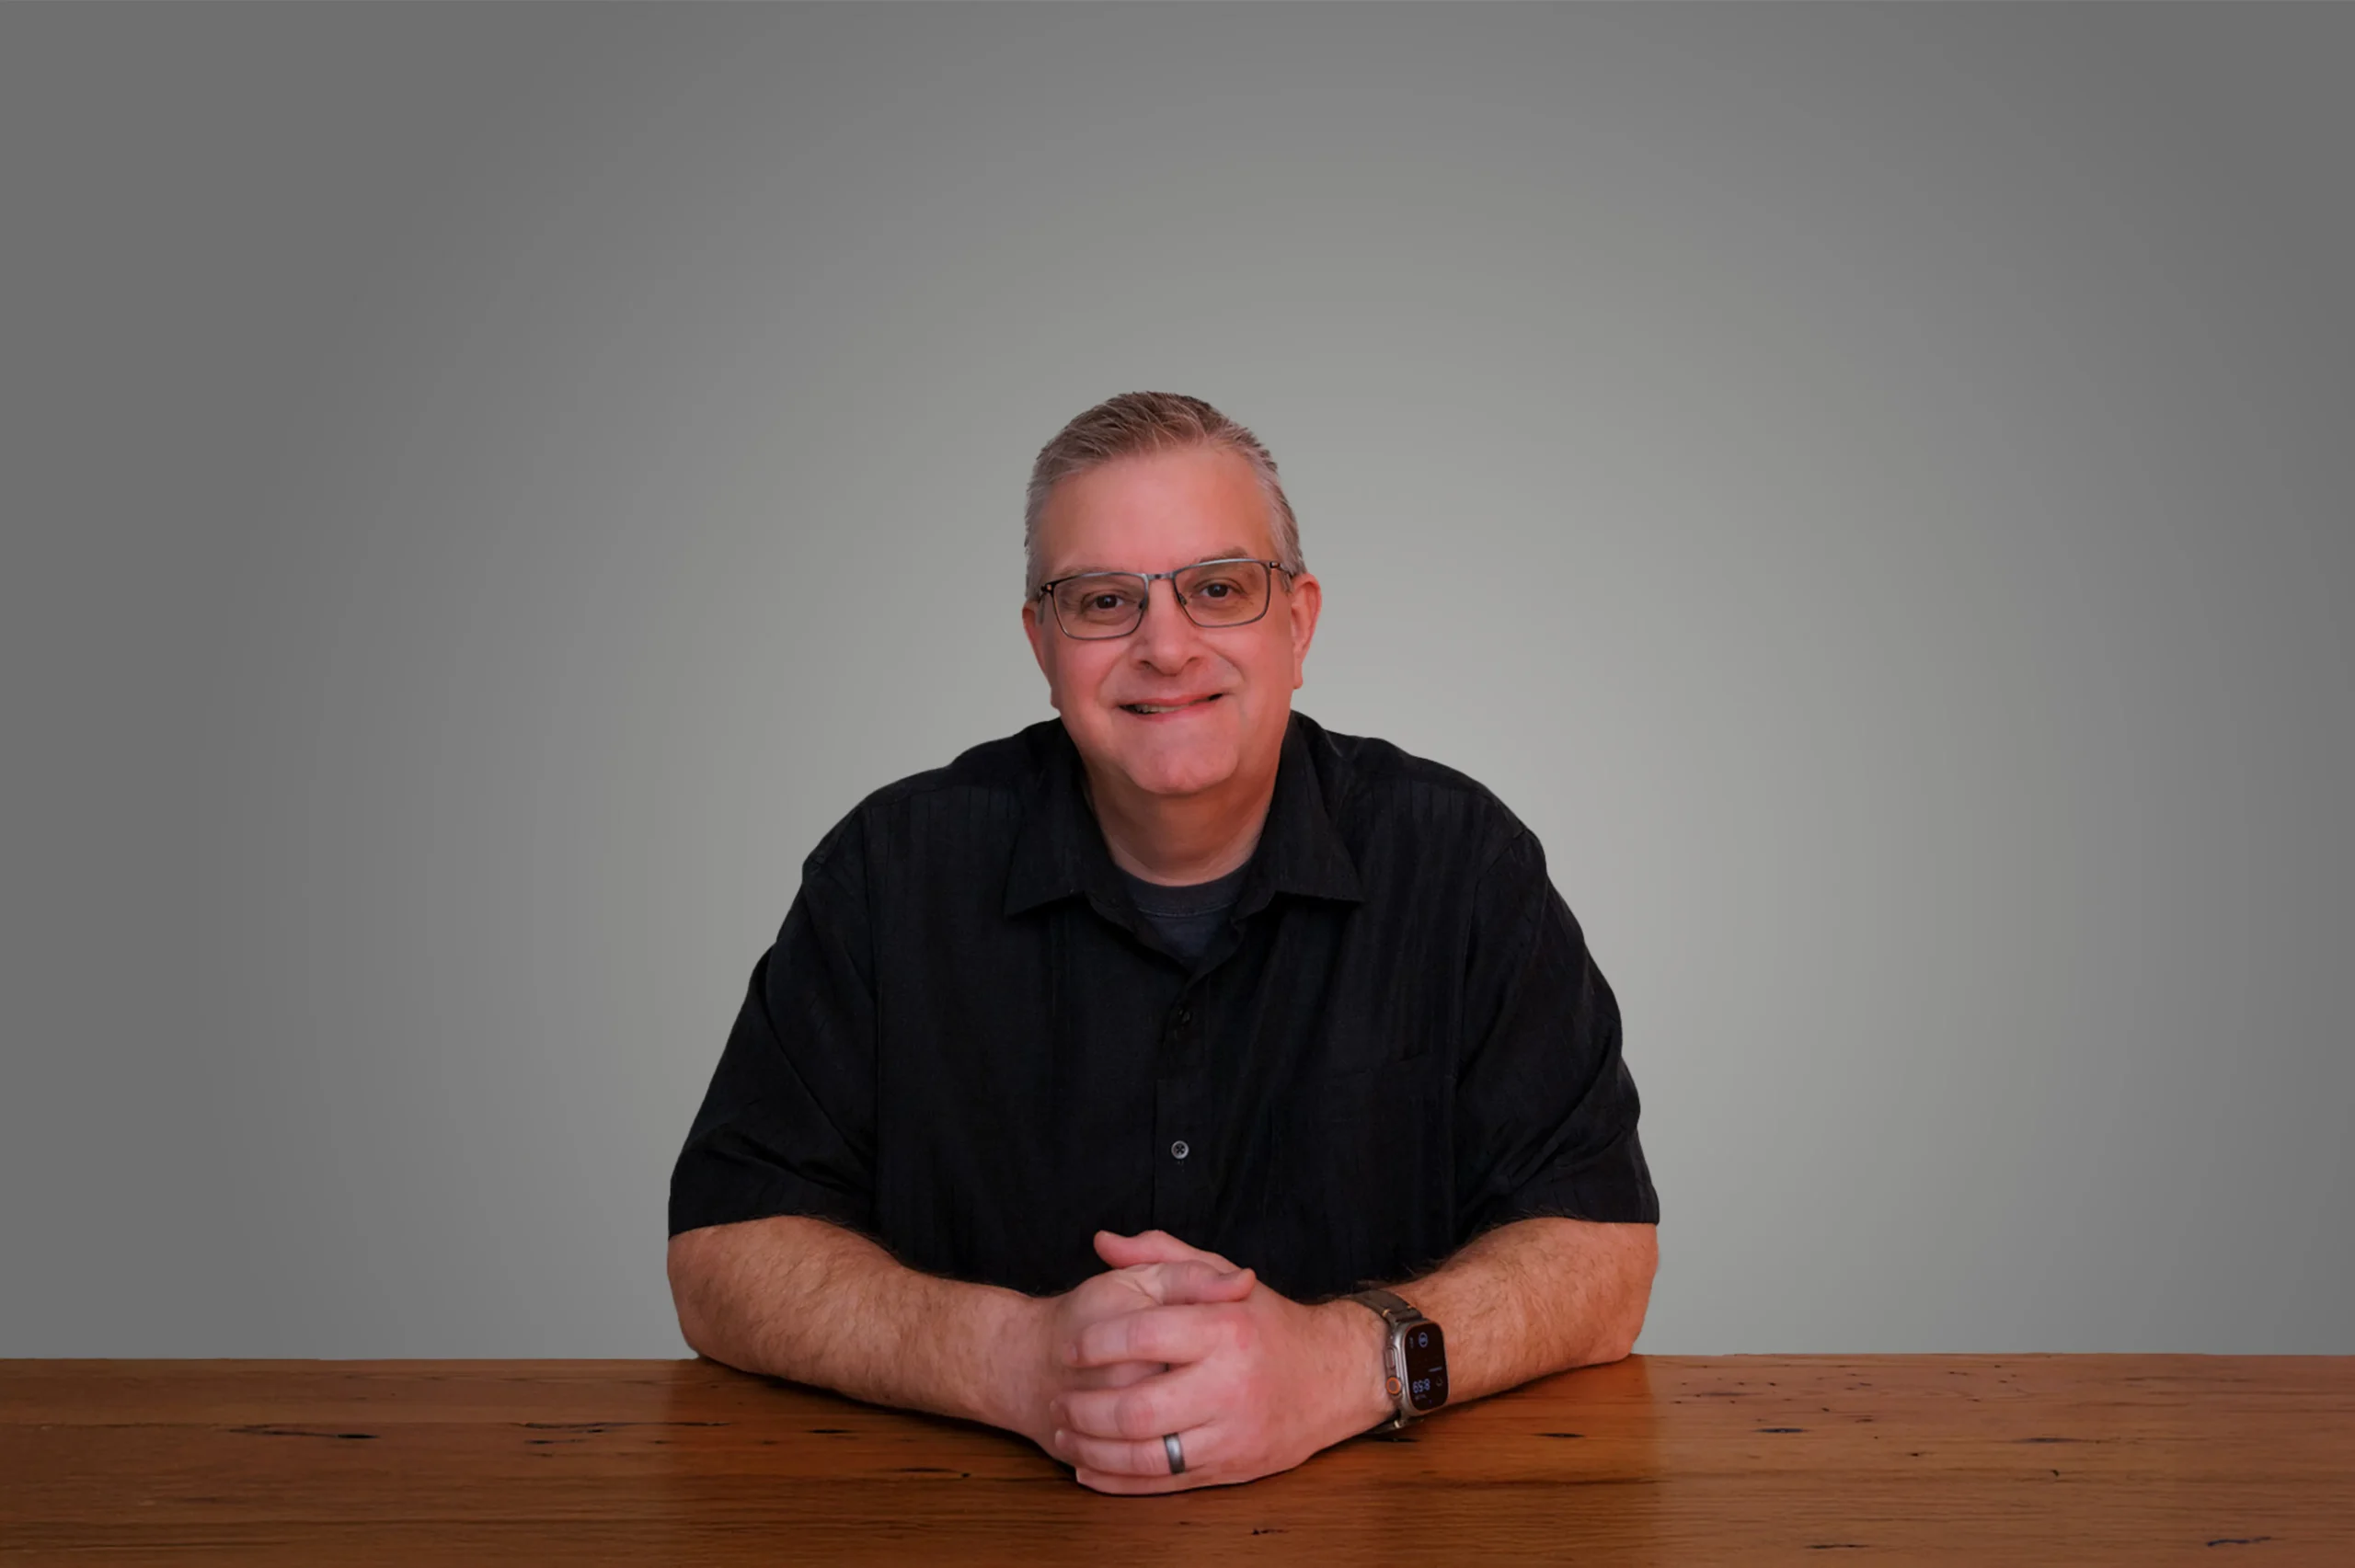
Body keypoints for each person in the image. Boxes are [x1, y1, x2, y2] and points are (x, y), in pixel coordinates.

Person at [666, 391, 1660, 1494]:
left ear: (1299, 622)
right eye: (1102, 600)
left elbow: (1601, 1249)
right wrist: (1009, 1358)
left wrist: (1345, 1363)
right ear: (1044, 642)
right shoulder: (888, 869)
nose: (1165, 645)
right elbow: (723, 1250)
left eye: (1218, 588)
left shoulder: (1461, 859)